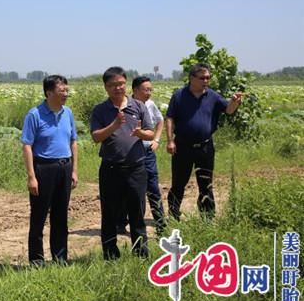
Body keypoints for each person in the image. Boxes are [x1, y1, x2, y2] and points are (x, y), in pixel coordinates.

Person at [91, 67, 154, 259]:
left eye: (120, 84)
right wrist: (114, 125)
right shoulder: (100, 110)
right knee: (109, 214)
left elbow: (150, 132)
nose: (117, 88)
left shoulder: (138, 106)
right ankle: (110, 255)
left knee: (137, 213)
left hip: (136, 168)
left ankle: (141, 254)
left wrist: (140, 133)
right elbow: (95, 137)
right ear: (106, 87)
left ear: (126, 84)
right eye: (112, 85)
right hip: (111, 169)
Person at [166, 63, 242, 221]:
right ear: (192, 78)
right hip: (182, 146)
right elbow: (170, 117)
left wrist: (234, 102)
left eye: (208, 77)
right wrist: (170, 141)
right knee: (179, 183)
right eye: (202, 78)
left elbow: (228, 110)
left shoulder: (213, 96)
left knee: (205, 184)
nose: (206, 80)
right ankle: (173, 215)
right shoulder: (179, 96)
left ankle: (207, 218)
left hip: (205, 147)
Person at [21, 75, 78, 265]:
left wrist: (74, 170)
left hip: (64, 166)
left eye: (66, 90)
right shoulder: (34, 114)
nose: (66, 94)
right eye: (62, 91)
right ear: (48, 93)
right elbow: (27, 146)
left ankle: (60, 257)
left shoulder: (67, 112)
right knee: (39, 216)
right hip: (43, 168)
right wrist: (31, 176)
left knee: (61, 215)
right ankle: (36, 261)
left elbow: (73, 142)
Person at [118, 76, 166, 235]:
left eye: (150, 89)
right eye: (146, 90)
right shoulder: (125, 105)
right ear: (135, 90)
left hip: (147, 151)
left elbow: (160, 121)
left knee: (152, 186)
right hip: (130, 153)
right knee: (127, 188)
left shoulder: (150, 105)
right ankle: (121, 224)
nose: (149, 93)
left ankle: (160, 223)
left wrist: (157, 140)